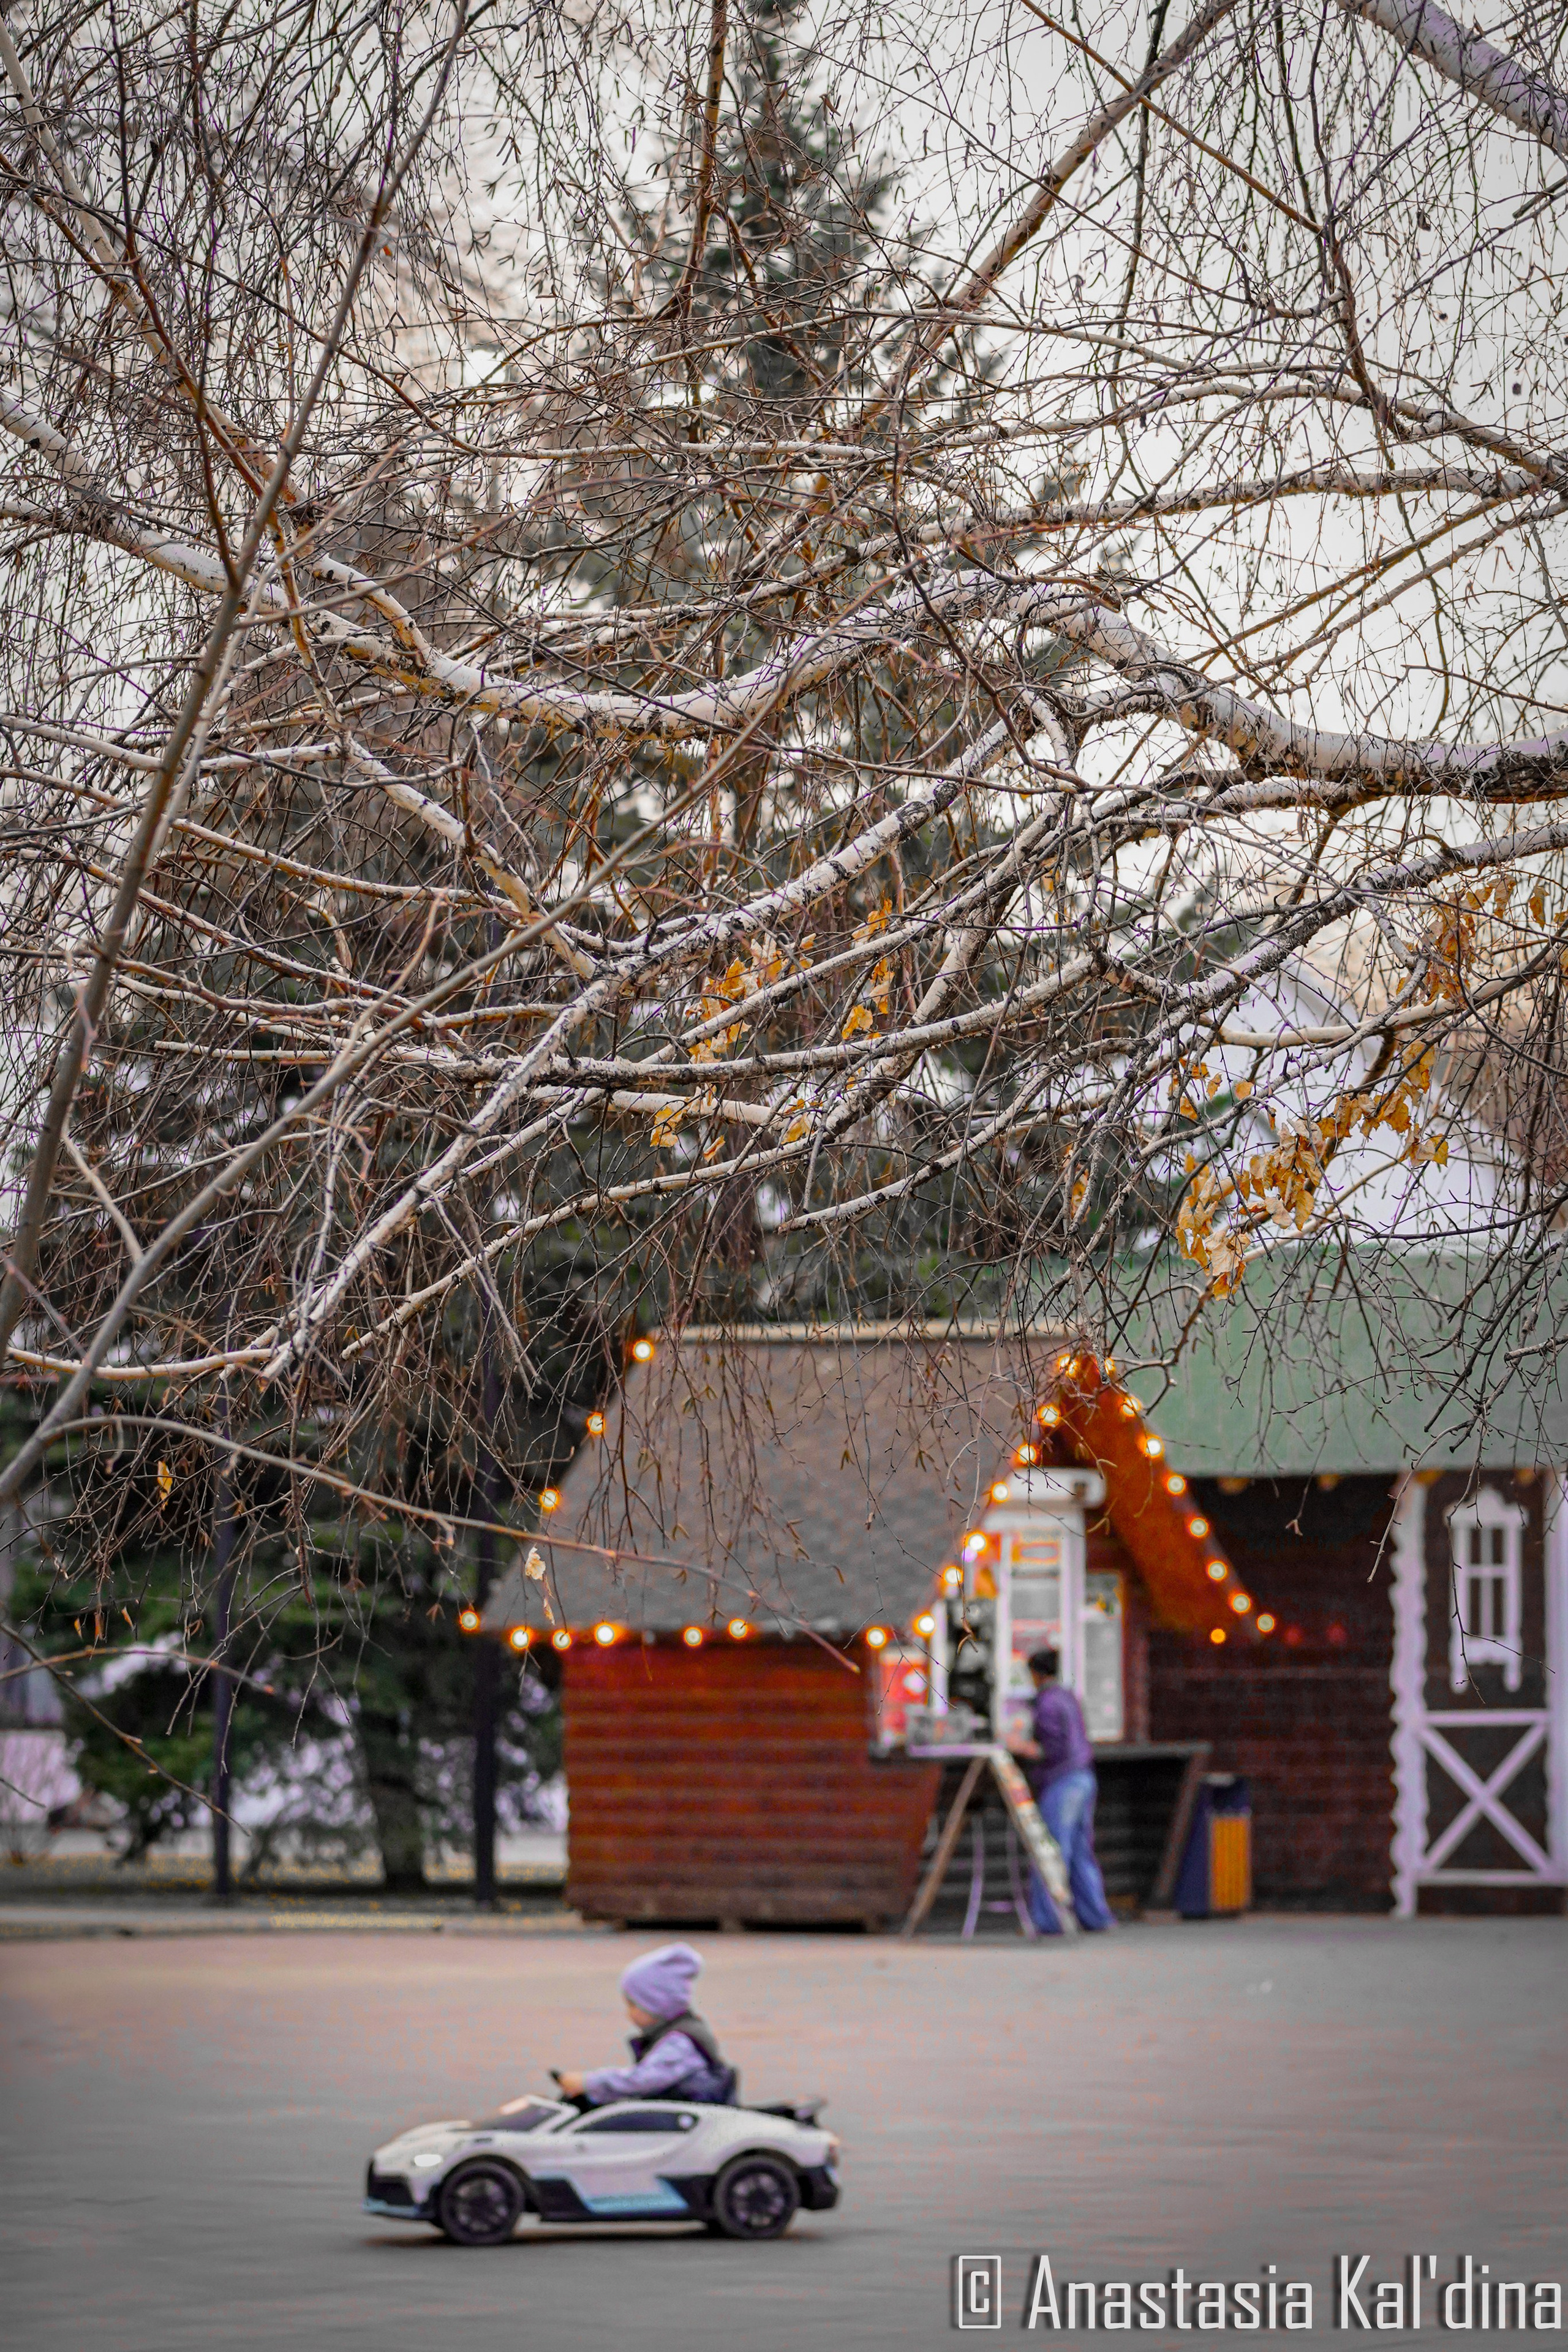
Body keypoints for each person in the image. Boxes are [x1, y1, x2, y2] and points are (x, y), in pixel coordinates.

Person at [553, 1941, 737, 2106]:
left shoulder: (680, 2041)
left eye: (633, 2005)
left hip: (690, 2119)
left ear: (656, 2003)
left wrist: (589, 2083)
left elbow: (644, 2080)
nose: (629, 2013)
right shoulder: (673, 2033)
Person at [1012, 1647, 1115, 1934]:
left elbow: (1053, 1749)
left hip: (1062, 1780)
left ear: (1036, 1674)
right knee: (1082, 1851)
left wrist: (1022, 1747)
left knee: (1052, 1852)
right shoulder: (1068, 1697)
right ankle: (1096, 1916)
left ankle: (1050, 1919)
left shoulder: (1045, 1704)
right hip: (1084, 1777)